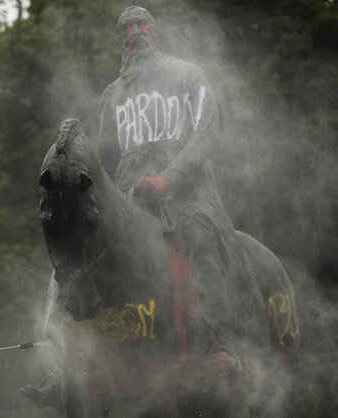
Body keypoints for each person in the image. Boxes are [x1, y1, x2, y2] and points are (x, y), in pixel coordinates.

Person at [96, 6, 249, 371]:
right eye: (129, 31)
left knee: (203, 234)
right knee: (82, 247)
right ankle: (72, 358)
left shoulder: (188, 75)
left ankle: (218, 339)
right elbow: (104, 159)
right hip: (130, 198)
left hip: (187, 194)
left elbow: (206, 133)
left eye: (142, 28)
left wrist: (168, 179)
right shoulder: (111, 96)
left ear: (155, 33)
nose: (136, 34)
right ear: (122, 43)